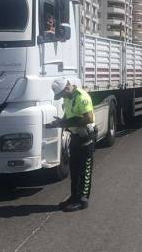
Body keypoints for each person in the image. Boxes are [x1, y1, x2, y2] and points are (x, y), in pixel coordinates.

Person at [49, 77, 97, 212]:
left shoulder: (82, 97)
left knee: (85, 170)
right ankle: (74, 197)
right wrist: (61, 121)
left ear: (67, 88)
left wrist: (67, 123)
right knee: (74, 169)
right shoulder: (67, 97)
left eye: (62, 94)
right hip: (75, 136)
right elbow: (68, 115)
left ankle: (82, 200)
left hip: (86, 136)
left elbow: (89, 118)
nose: (61, 97)